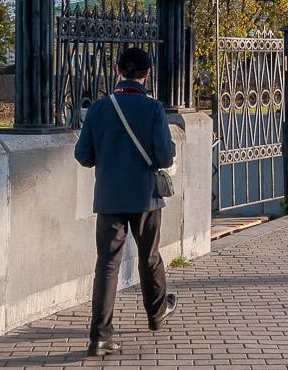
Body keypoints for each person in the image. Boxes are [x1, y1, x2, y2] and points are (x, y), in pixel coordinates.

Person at [75, 47, 178, 357]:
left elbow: (83, 156)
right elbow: (164, 156)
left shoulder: (98, 109)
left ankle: (100, 335)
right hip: (145, 197)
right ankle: (157, 313)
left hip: (109, 197)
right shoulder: (154, 108)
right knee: (149, 257)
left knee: (107, 265)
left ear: (118, 70)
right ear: (147, 74)